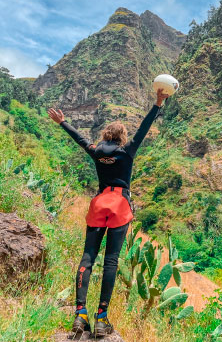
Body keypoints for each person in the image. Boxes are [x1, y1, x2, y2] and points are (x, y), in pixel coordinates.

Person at [48, 88, 169, 336]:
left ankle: (80, 314)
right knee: (111, 260)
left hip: (99, 203)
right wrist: (157, 104)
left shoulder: (96, 152)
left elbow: (80, 139)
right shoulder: (127, 151)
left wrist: (62, 122)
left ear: (105, 135)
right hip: (119, 206)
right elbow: (144, 128)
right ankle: (102, 317)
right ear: (122, 137)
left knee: (87, 258)